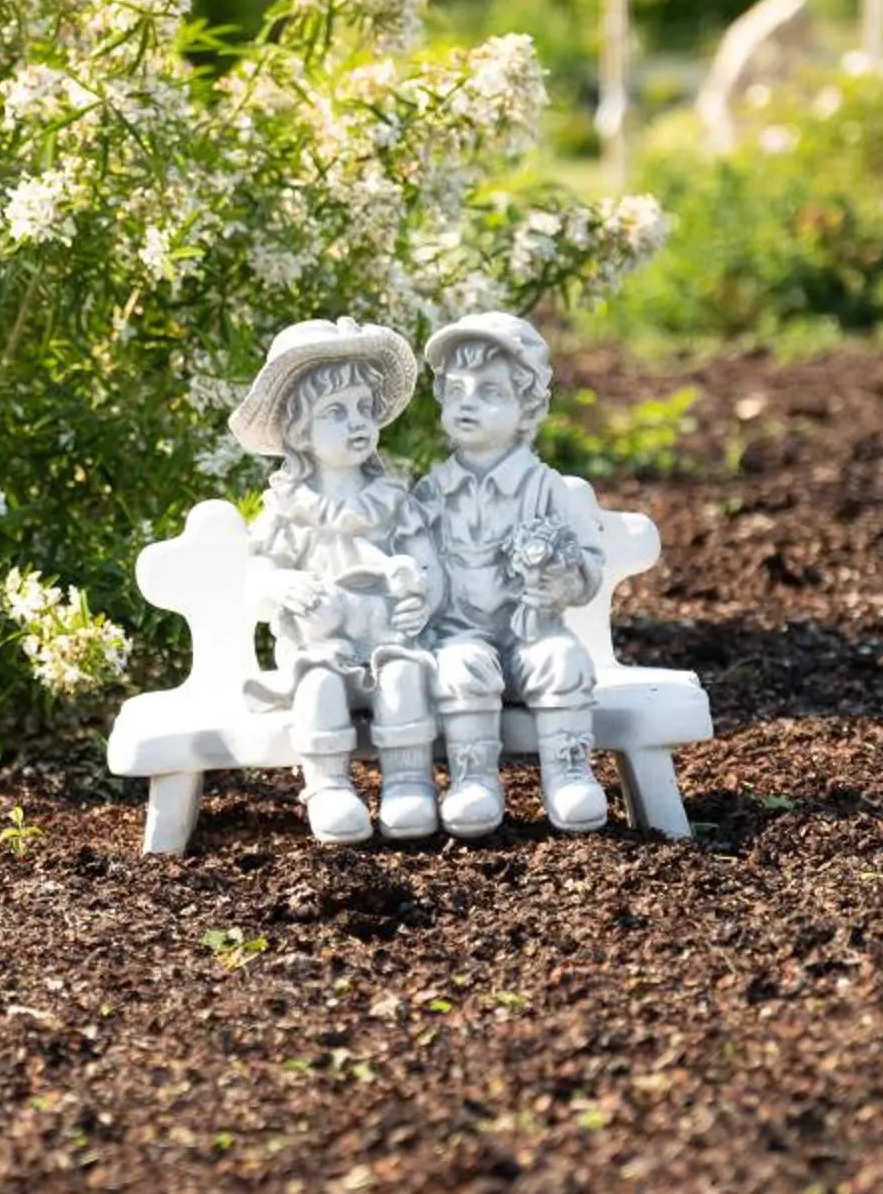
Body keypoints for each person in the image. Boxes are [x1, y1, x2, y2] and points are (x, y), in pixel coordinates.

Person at [229, 318, 442, 844]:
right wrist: (280, 587)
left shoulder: (391, 500)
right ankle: (328, 788)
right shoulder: (288, 507)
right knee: (319, 685)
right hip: (318, 647)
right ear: (299, 430)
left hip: (387, 642)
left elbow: (425, 563)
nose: (358, 423)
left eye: (365, 409)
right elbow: (255, 579)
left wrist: (418, 591)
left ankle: (409, 782)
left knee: (404, 679)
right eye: (336, 412)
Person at [413, 312, 607, 836]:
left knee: (563, 658)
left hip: (532, 634)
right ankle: (474, 778)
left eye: (491, 392)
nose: (468, 403)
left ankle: (568, 772)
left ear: (530, 409)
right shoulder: (431, 493)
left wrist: (563, 577)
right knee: (461, 669)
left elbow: (589, 565)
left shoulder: (547, 489)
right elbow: (413, 561)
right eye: (456, 391)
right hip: (461, 634)